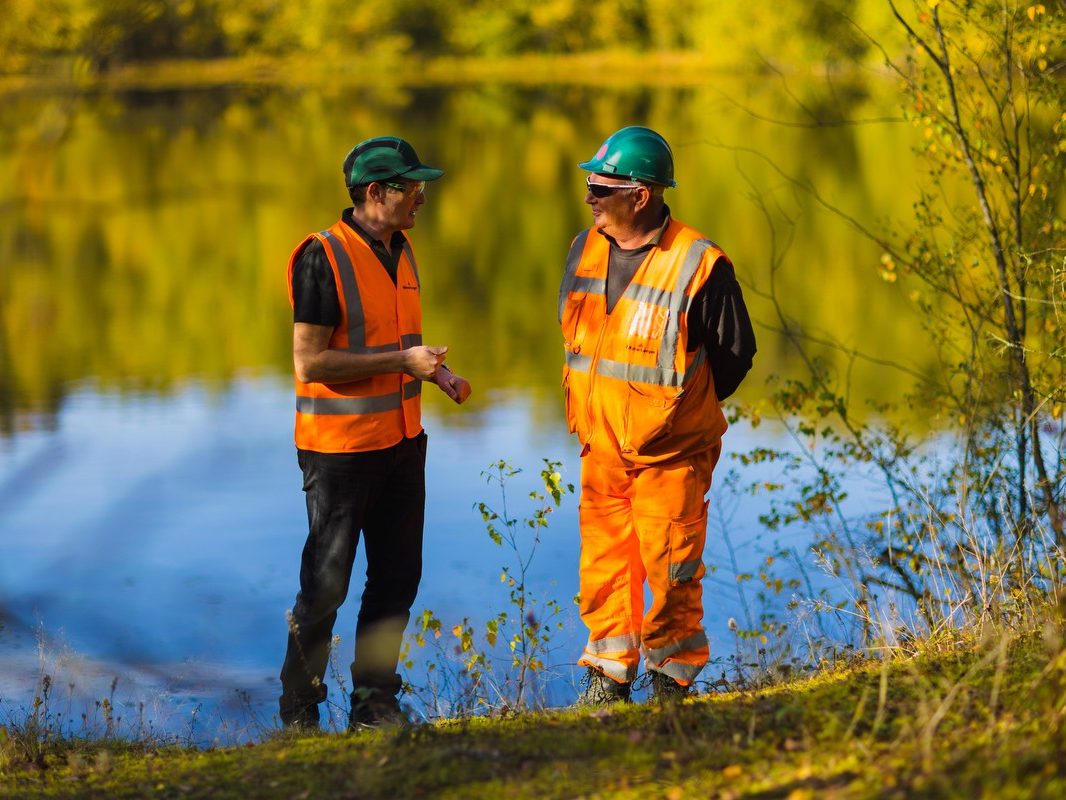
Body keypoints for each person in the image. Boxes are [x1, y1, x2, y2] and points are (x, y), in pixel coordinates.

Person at [558, 126, 756, 704]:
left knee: (672, 569)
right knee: (603, 564)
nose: (590, 196)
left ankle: (671, 681)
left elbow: (734, 354)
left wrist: (677, 413)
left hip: (672, 453)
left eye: (601, 186)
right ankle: (607, 674)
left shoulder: (700, 263)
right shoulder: (583, 248)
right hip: (600, 446)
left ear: (640, 195)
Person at [279, 136, 471, 731]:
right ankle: (299, 713)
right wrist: (401, 364)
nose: (422, 196)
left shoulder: (402, 248)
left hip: (402, 444)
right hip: (340, 454)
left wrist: (435, 373)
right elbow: (310, 363)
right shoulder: (322, 256)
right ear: (374, 193)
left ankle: (373, 704)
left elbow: (395, 341)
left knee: (396, 579)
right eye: (412, 186)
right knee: (325, 588)